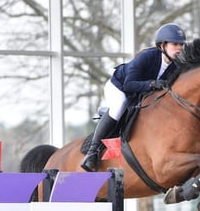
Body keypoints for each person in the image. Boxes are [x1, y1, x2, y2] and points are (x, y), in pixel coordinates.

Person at [80, 23, 187, 172]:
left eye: (181, 45)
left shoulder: (177, 66)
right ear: (162, 46)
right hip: (119, 87)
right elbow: (129, 85)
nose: (179, 48)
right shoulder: (147, 57)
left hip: (141, 94)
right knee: (119, 107)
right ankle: (91, 153)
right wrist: (152, 84)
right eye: (175, 44)